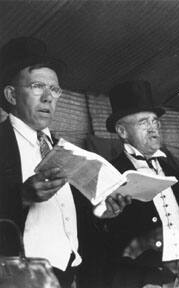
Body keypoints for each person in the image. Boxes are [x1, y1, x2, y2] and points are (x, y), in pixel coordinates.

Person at [0, 37, 130, 288]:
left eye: (55, 89)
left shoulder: (69, 151)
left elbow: (75, 218)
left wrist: (102, 213)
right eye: (38, 86)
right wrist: (21, 196)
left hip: (72, 274)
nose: (49, 97)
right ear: (11, 94)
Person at [102, 79, 179, 288]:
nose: (153, 129)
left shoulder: (174, 172)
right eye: (143, 123)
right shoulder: (110, 172)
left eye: (155, 121)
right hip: (143, 277)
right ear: (122, 131)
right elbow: (101, 231)